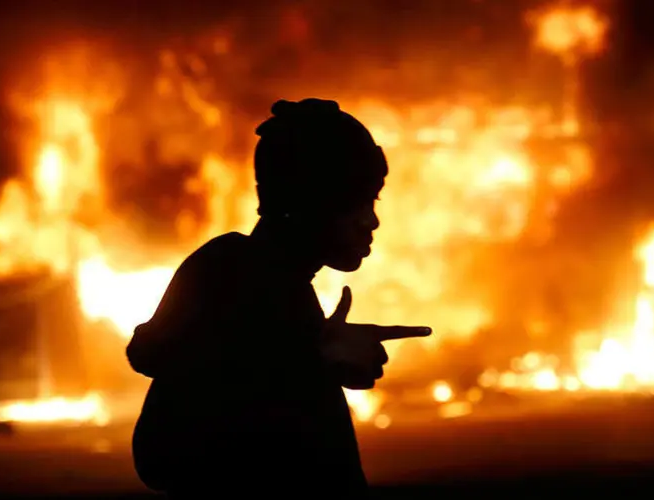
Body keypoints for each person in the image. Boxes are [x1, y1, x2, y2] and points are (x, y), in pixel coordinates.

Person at [126, 98, 432, 498]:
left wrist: (316, 355)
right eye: (357, 202)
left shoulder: (278, 283)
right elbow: (160, 395)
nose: (371, 220)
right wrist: (315, 356)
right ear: (312, 201)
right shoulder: (230, 268)